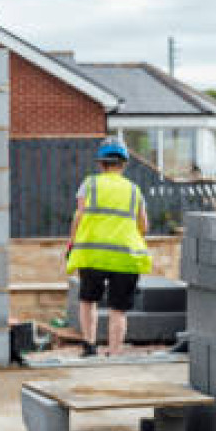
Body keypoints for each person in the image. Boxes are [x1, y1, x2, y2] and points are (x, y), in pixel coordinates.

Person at [65, 139, 152, 357]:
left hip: (93, 254)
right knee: (118, 309)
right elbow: (144, 226)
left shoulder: (90, 184)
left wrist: (71, 243)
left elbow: (79, 216)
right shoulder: (134, 190)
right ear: (123, 164)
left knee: (88, 300)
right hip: (125, 258)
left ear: (101, 164)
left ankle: (89, 346)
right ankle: (114, 352)